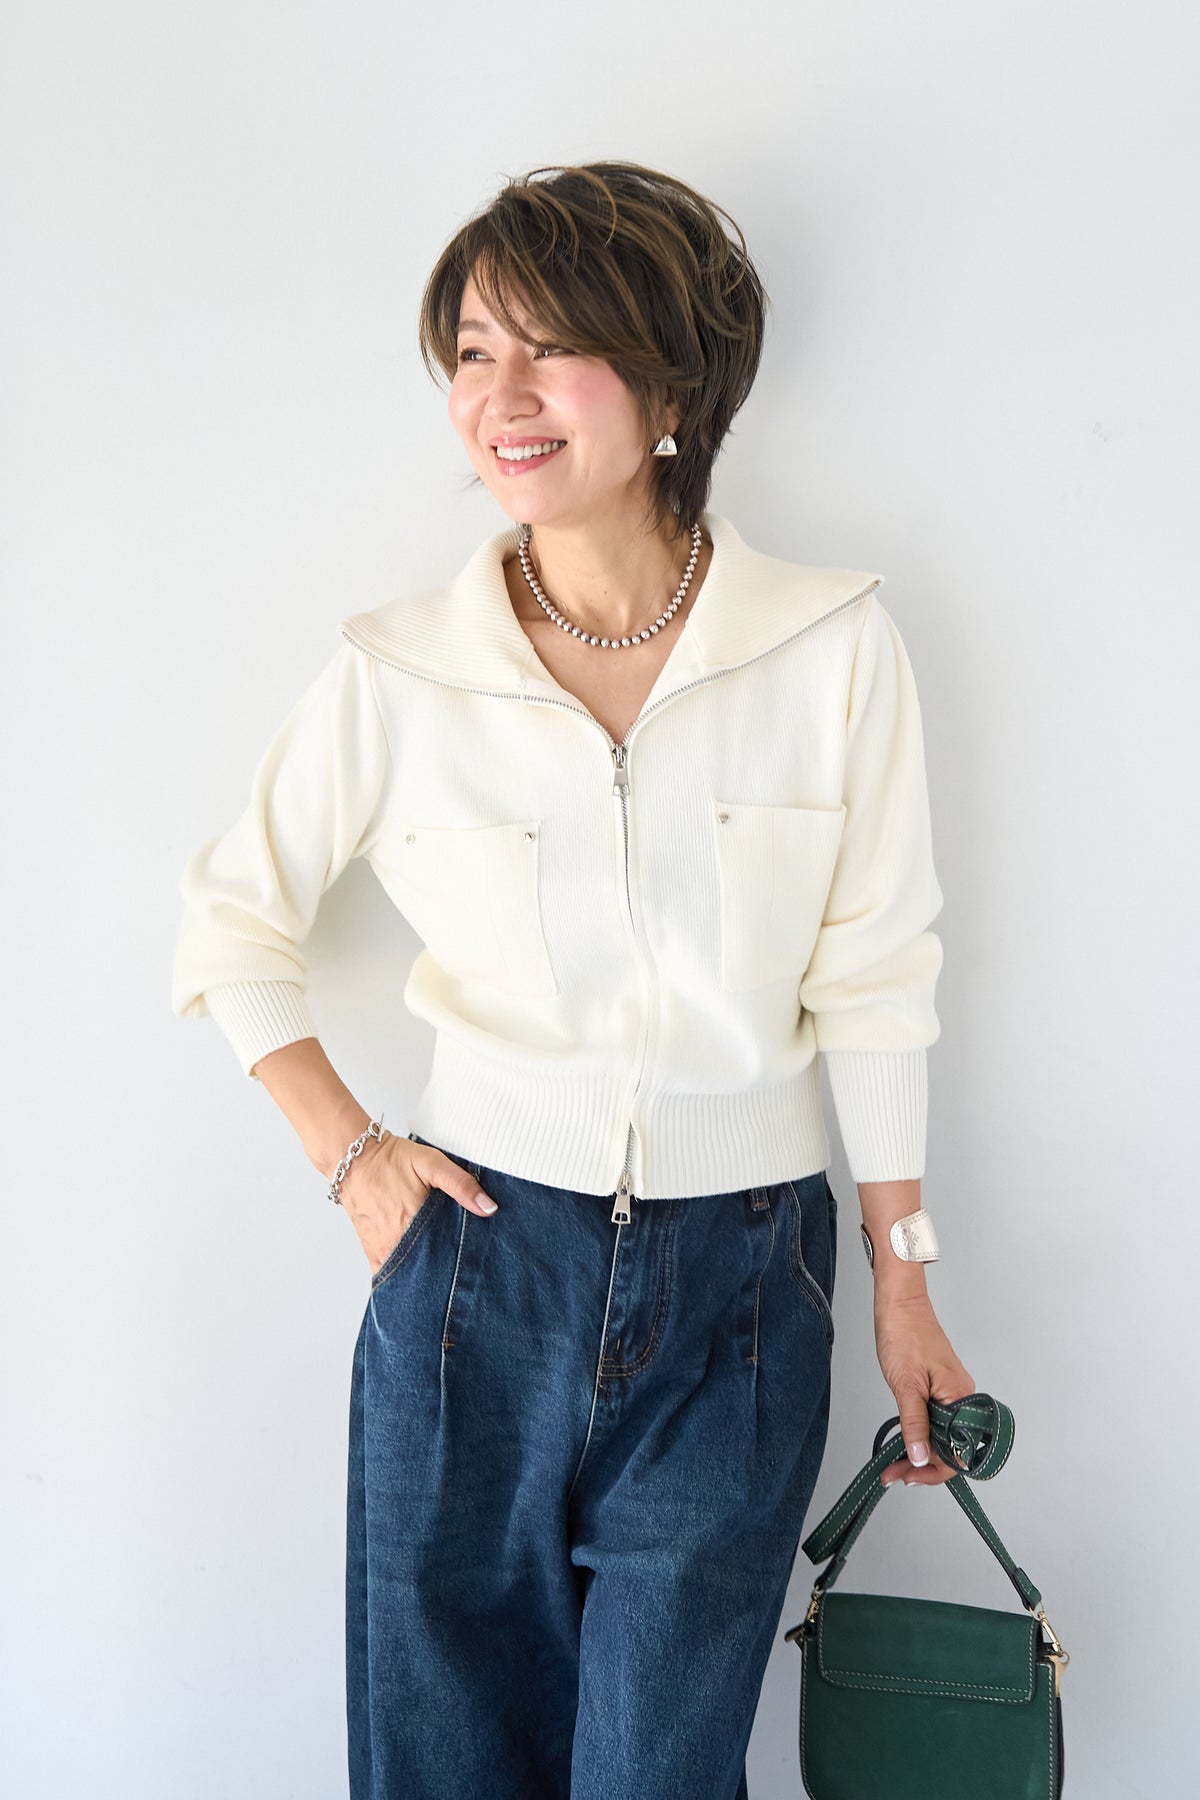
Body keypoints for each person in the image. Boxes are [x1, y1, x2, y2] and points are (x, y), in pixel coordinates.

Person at [171, 160, 974, 1800]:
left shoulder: (831, 645)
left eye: (556, 349)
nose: (503, 396)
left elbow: (880, 976)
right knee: (440, 1763)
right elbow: (230, 925)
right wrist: (350, 1154)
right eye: (475, 353)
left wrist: (904, 1273)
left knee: (659, 1773)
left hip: (743, 1292)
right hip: (477, 1268)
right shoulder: (401, 670)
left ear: (674, 388)